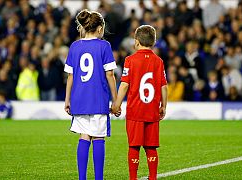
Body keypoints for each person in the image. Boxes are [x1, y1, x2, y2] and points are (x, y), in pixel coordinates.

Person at [63, 10, 119, 180]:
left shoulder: (74, 46)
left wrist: (67, 99)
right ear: (100, 28)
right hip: (98, 99)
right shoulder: (104, 46)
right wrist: (116, 100)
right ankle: (99, 178)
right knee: (98, 137)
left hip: (79, 99)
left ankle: (82, 178)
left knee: (84, 136)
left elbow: (70, 76)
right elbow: (110, 75)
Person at [112, 25, 168, 180]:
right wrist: (163, 106)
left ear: (136, 42)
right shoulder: (159, 61)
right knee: (151, 147)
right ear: (154, 42)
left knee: (134, 146)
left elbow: (124, 85)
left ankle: (133, 178)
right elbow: (164, 86)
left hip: (135, 111)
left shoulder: (130, 60)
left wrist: (116, 104)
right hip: (151, 110)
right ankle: (153, 177)